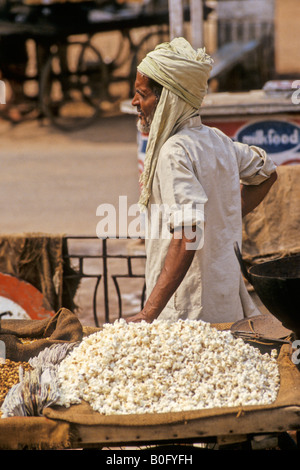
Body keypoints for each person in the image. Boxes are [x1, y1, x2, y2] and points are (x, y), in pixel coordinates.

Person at [126, 37, 277, 325]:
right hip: (225, 303)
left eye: (141, 94)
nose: (135, 102)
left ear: (167, 99)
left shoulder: (174, 152)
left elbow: (187, 238)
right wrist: (226, 215)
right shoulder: (216, 139)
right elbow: (267, 172)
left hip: (188, 311)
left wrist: (148, 313)